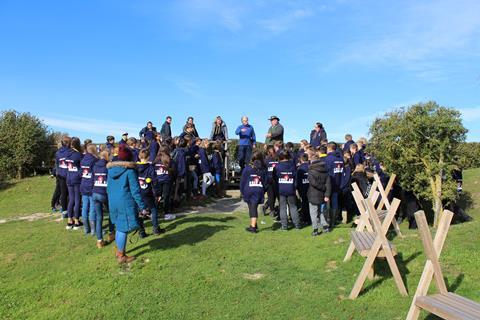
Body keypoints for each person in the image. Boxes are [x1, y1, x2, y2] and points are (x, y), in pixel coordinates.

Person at [107, 144, 147, 264]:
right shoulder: (130, 171)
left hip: (113, 201)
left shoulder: (110, 170)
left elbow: (108, 188)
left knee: (119, 227)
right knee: (123, 229)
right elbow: (135, 191)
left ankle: (119, 251)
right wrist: (143, 207)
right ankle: (121, 255)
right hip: (125, 202)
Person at [136, 149, 164, 236]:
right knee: (153, 209)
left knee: (140, 211)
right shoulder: (150, 167)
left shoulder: (135, 167)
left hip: (138, 192)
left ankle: (141, 232)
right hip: (147, 193)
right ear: (148, 157)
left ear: (139, 157)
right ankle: (155, 229)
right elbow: (155, 182)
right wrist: (158, 193)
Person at [240, 151, 267, 233]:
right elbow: (265, 181)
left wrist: (242, 191)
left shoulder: (248, 168)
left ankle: (253, 227)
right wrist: (263, 190)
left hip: (249, 189)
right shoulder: (263, 168)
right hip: (258, 189)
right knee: (253, 207)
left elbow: (243, 181)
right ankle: (254, 224)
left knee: (252, 208)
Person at [273, 150, 301, 230]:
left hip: (281, 189)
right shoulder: (293, 166)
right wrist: (294, 187)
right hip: (291, 188)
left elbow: (274, 178)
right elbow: (296, 178)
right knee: (293, 207)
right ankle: (297, 225)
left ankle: (284, 226)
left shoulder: (277, 167)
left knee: (282, 207)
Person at [308, 148, 332, 236]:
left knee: (313, 212)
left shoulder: (311, 171)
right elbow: (328, 184)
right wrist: (327, 194)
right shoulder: (325, 171)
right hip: (323, 195)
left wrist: (323, 188)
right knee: (322, 212)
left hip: (313, 194)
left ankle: (315, 229)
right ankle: (325, 227)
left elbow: (313, 183)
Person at [92, 150, 111, 248]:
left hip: (95, 193)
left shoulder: (94, 166)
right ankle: (111, 234)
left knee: (99, 218)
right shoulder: (108, 166)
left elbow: (92, 179)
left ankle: (99, 241)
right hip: (104, 193)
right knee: (111, 213)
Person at [80, 143, 98, 235]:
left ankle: (86, 229)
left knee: (84, 207)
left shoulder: (83, 160)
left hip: (83, 184)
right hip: (91, 186)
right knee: (92, 208)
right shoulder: (94, 160)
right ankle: (93, 229)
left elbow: (81, 172)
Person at [153, 145, 175, 221]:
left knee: (157, 197)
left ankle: (154, 213)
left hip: (158, 181)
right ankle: (166, 213)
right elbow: (173, 170)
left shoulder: (155, 160)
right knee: (166, 197)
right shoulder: (169, 159)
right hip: (165, 180)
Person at [65, 137, 84, 230]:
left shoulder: (67, 154)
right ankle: (76, 221)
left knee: (71, 199)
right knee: (77, 200)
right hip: (76, 179)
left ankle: (69, 220)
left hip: (69, 177)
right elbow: (82, 167)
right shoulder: (78, 155)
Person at [325, 142, 344, 228]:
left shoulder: (328, 158)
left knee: (328, 202)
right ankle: (334, 220)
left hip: (330, 183)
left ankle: (329, 220)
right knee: (335, 202)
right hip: (339, 183)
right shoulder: (340, 158)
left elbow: (326, 171)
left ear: (328, 148)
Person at [55, 136, 71, 217]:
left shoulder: (57, 152)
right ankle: (69, 210)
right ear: (68, 143)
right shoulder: (69, 152)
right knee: (70, 193)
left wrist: (57, 173)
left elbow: (57, 164)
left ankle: (64, 210)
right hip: (68, 174)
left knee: (63, 193)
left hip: (61, 174)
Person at [296, 153, 310, 225]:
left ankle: (306, 219)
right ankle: (311, 219)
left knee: (304, 204)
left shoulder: (300, 169)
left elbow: (298, 181)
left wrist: (298, 189)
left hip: (303, 189)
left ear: (301, 160)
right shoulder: (311, 166)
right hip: (311, 188)